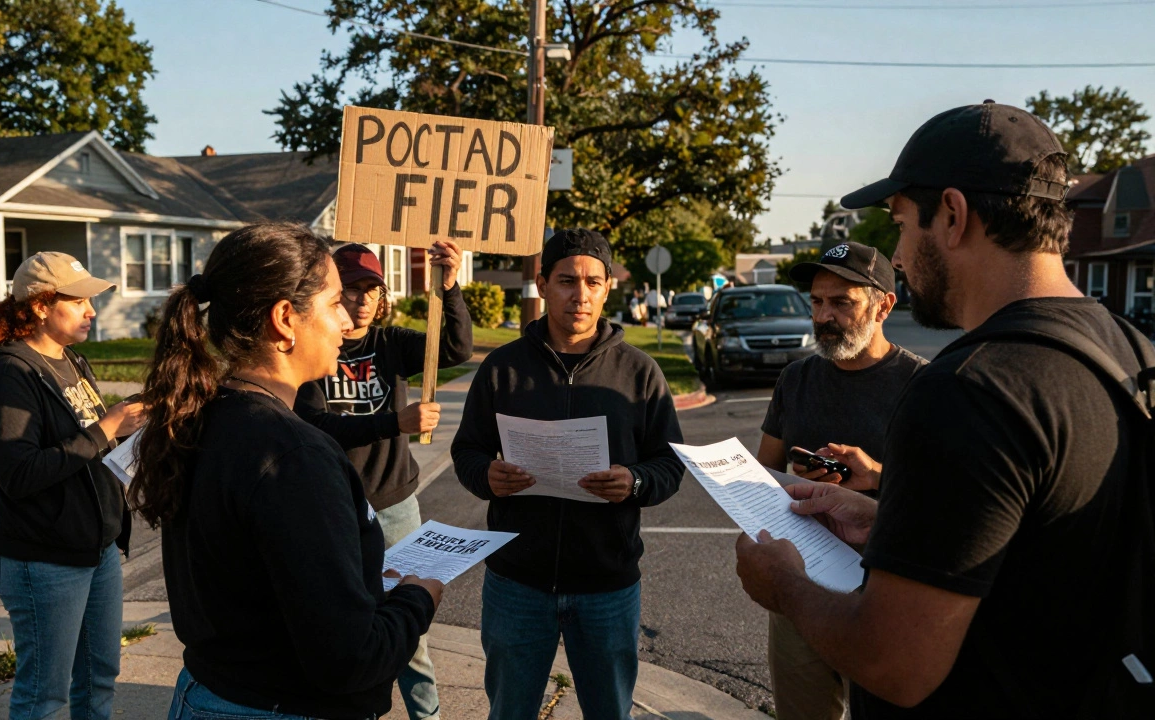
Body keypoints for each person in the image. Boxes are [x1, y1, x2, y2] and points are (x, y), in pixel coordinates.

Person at [734, 102, 1153, 718]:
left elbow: (892, 663)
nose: (899, 256)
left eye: (902, 225)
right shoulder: (1130, 352)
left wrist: (785, 587)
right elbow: (1043, 555)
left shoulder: (968, 389)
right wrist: (890, 517)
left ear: (953, 216)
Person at [128, 223, 442, 720]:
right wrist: (416, 598)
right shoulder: (293, 456)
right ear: (284, 319)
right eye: (335, 302)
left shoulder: (202, 415)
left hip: (212, 693)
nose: (346, 321)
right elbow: (349, 659)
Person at [451, 228, 686, 719]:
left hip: (608, 585)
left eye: (593, 282)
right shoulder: (502, 368)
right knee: (510, 711)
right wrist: (487, 476)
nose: (580, 295)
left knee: (609, 712)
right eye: (566, 281)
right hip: (517, 582)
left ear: (607, 288)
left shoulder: (640, 373)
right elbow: (467, 451)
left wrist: (635, 482)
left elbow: (670, 463)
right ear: (542, 285)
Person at [294, 240, 472, 720]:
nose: (364, 299)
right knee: (339, 623)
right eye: (352, 289)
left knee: (411, 631)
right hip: (334, 507)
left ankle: (426, 716)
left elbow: (455, 347)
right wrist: (394, 422)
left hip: (395, 507)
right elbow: (316, 424)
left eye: (372, 288)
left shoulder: (391, 344)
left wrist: (449, 287)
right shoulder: (313, 351)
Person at [0, 252, 145, 720]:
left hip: (96, 548)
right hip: (42, 558)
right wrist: (105, 429)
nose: (92, 310)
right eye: (80, 299)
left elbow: (87, 446)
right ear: (42, 306)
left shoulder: (71, 360)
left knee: (99, 677)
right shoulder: (11, 373)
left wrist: (128, 428)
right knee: (44, 696)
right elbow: (19, 474)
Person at [756, 241, 927, 720]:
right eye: (816, 302)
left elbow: (947, 502)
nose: (824, 316)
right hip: (802, 587)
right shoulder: (796, 379)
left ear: (884, 305)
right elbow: (763, 470)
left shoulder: (925, 386)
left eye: (842, 303)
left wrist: (875, 475)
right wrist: (792, 481)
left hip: (885, 593)